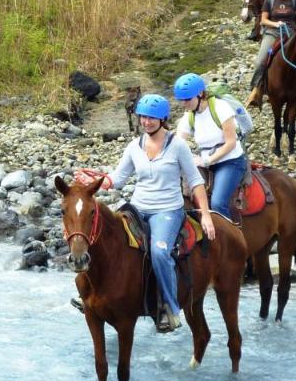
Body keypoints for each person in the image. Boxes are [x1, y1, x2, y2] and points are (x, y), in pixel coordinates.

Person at [76, 93, 216, 333]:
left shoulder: (178, 146)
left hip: (167, 211)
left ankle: (169, 308)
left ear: (162, 119)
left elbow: (195, 182)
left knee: (160, 252)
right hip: (137, 207)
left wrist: (205, 214)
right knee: (101, 237)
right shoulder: (134, 146)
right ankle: (91, 295)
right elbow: (118, 179)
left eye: (152, 118)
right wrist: (97, 180)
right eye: (143, 117)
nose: (146, 122)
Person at [174, 73, 249, 221]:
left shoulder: (220, 107)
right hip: (205, 161)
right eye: (181, 100)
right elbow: (178, 142)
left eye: (187, 99)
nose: (184, 104)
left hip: (230, 161)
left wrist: (207, 161)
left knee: (217, 203)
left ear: (200, 94)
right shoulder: (190, 115)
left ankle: (229, 239)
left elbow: (231, 142)